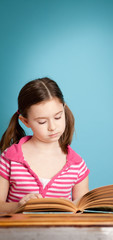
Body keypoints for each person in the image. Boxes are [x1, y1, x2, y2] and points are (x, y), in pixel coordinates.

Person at [0, 77, 89, 213]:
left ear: (64, 110)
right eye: (42, 122)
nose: (52, 127)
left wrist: (72, 209)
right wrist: (18, 206)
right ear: (25, 121)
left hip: (62, 233)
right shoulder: (9, 159)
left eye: (58, 117)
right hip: (17, 233)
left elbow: (82, 210)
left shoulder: (77, 165)